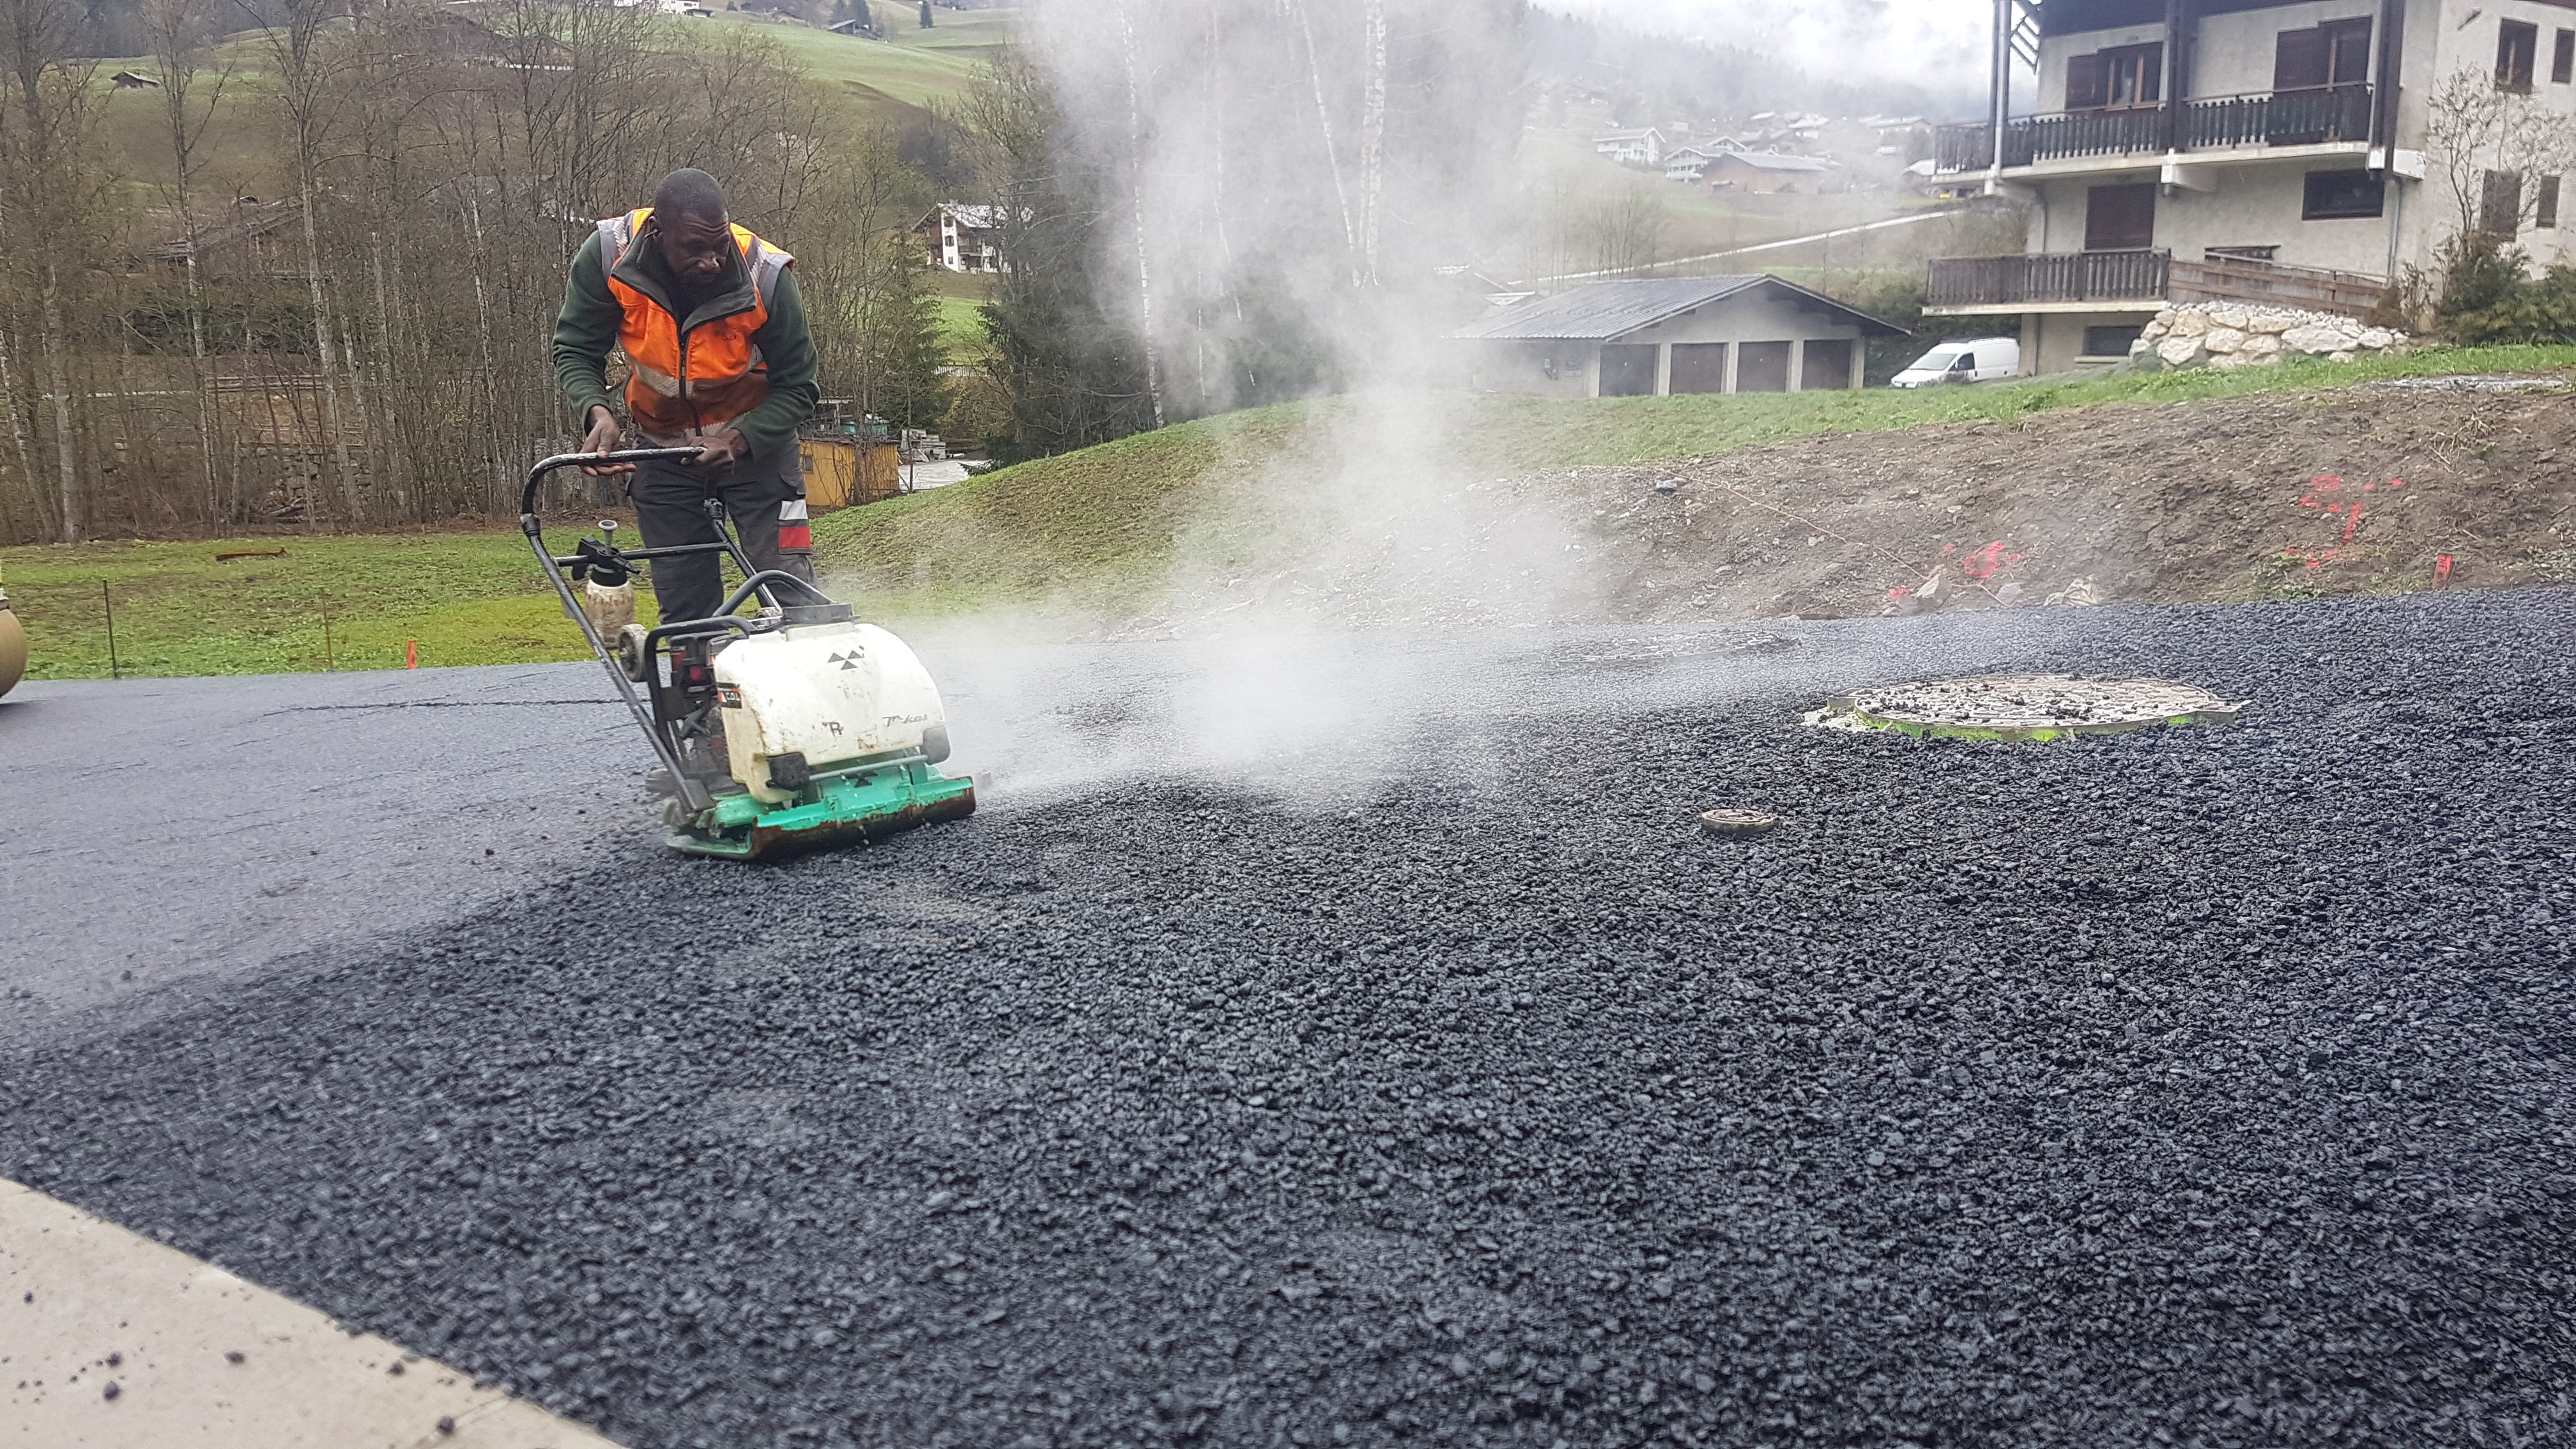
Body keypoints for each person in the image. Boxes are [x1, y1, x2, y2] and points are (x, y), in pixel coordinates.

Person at [551, 168, 820, 627]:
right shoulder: (607, 256)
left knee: (790, 593)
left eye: (720, 246)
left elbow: (800, 386)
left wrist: (736, 440)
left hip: (758, 451)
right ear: (657, 232)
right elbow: (575, 348)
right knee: (685, 614)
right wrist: (597, 412)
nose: (713, 261)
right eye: (695, 248)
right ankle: (695, 692)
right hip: (663, 450)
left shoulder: (767, 275)